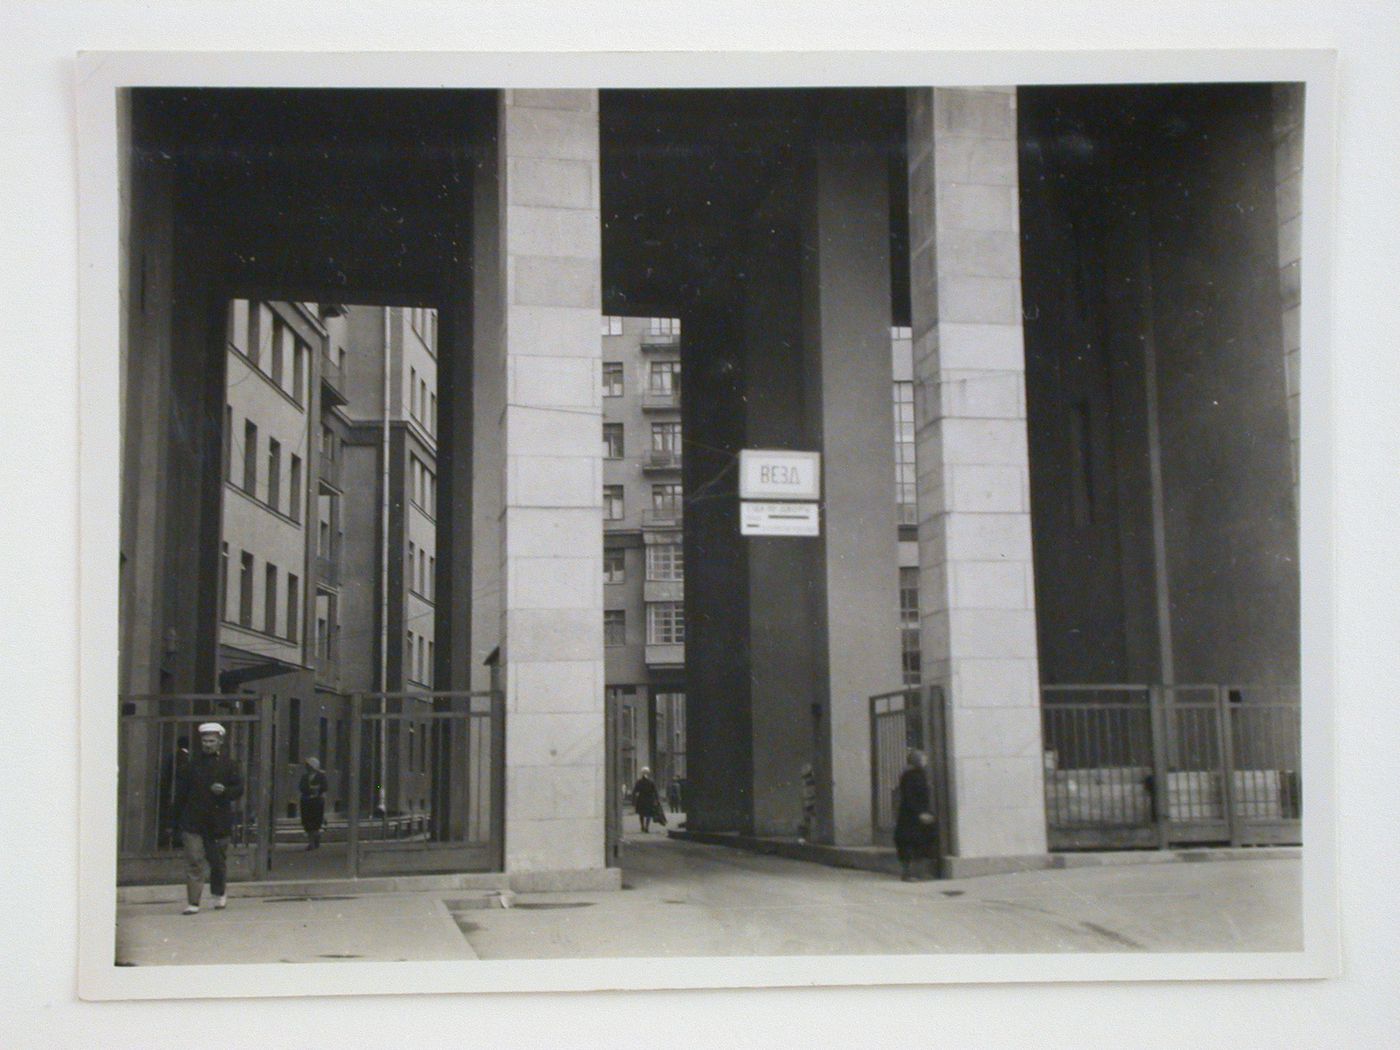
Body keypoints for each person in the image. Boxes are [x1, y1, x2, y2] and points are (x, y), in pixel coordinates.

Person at [170, 722, 244, 914]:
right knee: (194, 860)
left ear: (220, 742)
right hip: (193, 821)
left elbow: (239, 789)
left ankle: (219, 894)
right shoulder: (190, 766)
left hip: (218, 822)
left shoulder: (229, 765)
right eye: (204, 741)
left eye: (211, 741)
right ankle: (193, 902)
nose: (208, 744)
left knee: (217, 862)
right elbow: (180, 795)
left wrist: (225, 791)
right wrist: (173, 822)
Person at [894, 749, 936, 882]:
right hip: (911, 815)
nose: (926, 761)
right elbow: (909, 796)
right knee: (909, 843)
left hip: (918, 814)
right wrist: (920, 813)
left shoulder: (920, 774)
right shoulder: (910, 776)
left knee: (920, 843)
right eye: (923, 758)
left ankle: (919, 873)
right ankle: (908, 874)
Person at [298, 756, 329, 850]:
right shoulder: (304, 777)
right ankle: (311, 842)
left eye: (309, 765)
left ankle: (315, 838)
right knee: (307, 822)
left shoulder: (321, 776)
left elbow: (325, 787)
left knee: (315, 822)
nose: (308, 767)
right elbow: (301, 787)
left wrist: (318, 791)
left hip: (317, 802)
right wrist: (310, 790)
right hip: (306, 801)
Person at [632, 767, 666, 833]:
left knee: (641, 814)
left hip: (641, 800)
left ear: (642, 773)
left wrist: (634, 800)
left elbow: (635, 791)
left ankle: (642, 826)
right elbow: (655, 791)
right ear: (648, 773)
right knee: (648, 814)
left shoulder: (639, 782)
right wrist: (657, 800)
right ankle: (647, 827)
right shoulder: (651, 782)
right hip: (649, 800)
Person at [797, 763, 818, 842]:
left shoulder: (806, 781)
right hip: (809, 800)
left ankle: (805, 837)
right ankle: (805, 837)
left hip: (809, 800)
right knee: (807, 818)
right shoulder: (808, 781)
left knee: (807, 818)